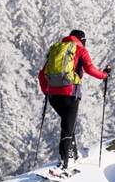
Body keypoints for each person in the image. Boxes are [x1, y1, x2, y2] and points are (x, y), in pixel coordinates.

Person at [38, 29, 111, 170]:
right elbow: (90, 69)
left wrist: (47, 91)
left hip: (53, 96)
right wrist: (104, 75)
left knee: (68, 124)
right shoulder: (80, 50)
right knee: (67, 127)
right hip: (70, 94)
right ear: (82, 40)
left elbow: (42, 74)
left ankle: (72, 154)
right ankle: (65, 162)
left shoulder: (56, 49)